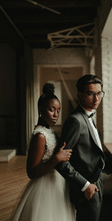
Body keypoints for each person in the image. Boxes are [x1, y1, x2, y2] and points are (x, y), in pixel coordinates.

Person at [11, 83, 76, 221]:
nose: (56, 114)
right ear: (41, 110)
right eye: (51, 109)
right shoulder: (40, 136)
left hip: (58, 182)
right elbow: (32, 172)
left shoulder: (49, 131)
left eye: (58, 110)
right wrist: (56, 159)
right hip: (44, 187)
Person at [56, 74, 105, 221]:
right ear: (80, 94)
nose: (96, 99)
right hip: (85, 188)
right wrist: (85, 186)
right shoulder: (75, 121)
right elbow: (61, 161)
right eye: (91, 94)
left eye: (99, 93)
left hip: (97, 182)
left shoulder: (89, 115)